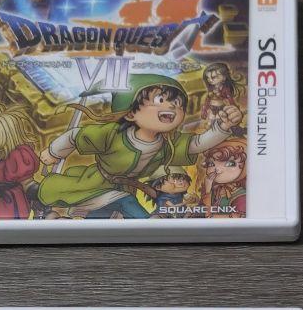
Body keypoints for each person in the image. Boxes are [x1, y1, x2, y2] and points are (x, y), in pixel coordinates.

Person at [37, 75, 241, 220]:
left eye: (178, 103)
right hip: (96, 183)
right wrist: (53, 152)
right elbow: (75, 135)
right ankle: (147, 223)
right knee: (125, 201)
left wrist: (223, 127)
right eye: (160, 100)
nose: (172, 106)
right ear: (130, 113)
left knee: (103, 216)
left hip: (125, 187)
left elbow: (196, 144)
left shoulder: (168, 142)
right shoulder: (112, 134)